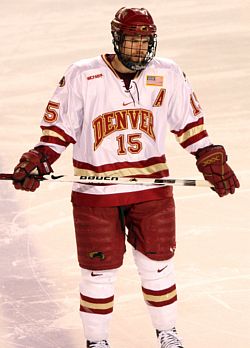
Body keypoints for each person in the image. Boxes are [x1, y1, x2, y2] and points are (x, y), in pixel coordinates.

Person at [12, 7, 240, 348]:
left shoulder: (168, 73)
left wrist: (207, 154)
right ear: (117, 38)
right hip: (96, 193)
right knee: (98, 274)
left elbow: (190, 125)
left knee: (159, 265)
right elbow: (59, 128)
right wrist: (40, 157)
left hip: (152, 189)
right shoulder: (82, 75)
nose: (139, 49)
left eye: (145, 41)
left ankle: (168, 334)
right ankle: (97, 342)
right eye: (132, 41)